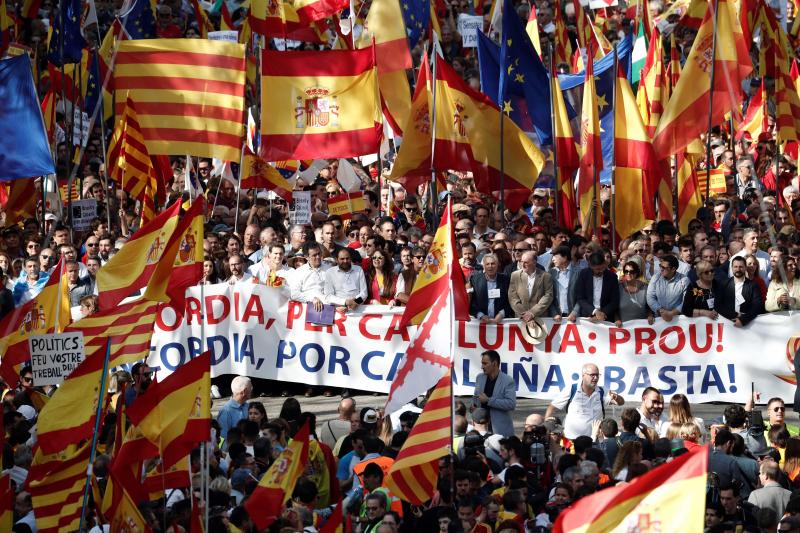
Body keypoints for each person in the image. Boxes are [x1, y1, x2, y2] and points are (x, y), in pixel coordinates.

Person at [545, 363, 624, 441]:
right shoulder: (572, 389)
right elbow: (552, 407)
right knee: (568, 454)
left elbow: (621, 402)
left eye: (597, 375)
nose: (595, 378)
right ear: (583, 375)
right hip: (570, 439)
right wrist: (547, 429)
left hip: (593, 440)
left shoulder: (602, 391)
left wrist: (617, 397)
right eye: (592, 375)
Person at [471, 350, 516, 437]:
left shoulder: (508, 381)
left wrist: (488, 400)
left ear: (494, 363)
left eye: (485, 363)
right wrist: (473, 407)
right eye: (482, 363)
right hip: (481, 428)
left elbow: (511, 404)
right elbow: (475, 398)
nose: (482, 367)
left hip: (499, 431)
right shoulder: (479, 378)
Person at [508, 250, 553, 329]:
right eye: (522, 262)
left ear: (534, 263)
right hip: (521, 319)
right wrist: (525, 316)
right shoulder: (515, 275)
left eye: (526, 262)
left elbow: (548, 296)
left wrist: (532, 313)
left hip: (540, 319)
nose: (523, 265)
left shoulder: (545, 276)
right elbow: (513, 298)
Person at [717, 256, 765, 326]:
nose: (738, 269)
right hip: (727, 325)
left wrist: (743, 320)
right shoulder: (724, 284)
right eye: (735, 267)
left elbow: (757, 307)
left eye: (741, 267)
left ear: (745, 268)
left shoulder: (753, 286)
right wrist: (735, 315)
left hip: (747, 325)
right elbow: (717, 305)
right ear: (732, 268)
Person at [573, 251, 620, 321]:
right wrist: (594, 311)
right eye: (598, 269)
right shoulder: (583, 274)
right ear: (591, 266)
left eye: (603, 268)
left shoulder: (612, 277)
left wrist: (602, 313)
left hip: (606, 318)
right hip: (587, 317)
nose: (601, 271)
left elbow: (614, 300)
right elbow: (580, 298)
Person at [469, 253, 512, 322]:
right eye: (487, 264)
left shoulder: (505, 280)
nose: (490, 266)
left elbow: (510, 301)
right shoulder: (475, 280)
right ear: (483, 266)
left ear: (497, 265)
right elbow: (471, 302)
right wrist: (480, 315)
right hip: (481, 322)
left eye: (493, 264)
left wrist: (502, 313)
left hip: (501, 321)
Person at [646, 255, 690, 322]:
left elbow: (687, 301)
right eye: (660, 266)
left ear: (673, 269)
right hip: (659, 319)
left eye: (664, 267)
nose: (661, 269)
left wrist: (672, 313)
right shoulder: (655, 278)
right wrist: (660, 311)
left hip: (678, 320)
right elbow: (650, 297)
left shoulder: (684, 280)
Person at [324, 248, 368, 312]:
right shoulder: (330, 272)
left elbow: (364, 293)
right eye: (342, 259)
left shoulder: (358, 270)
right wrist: (345, 302)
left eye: (347, 258)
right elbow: (328, 296)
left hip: (358, 309)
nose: (345, 261)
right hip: (340, 310)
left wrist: (356, 302)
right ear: (337, 260)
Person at [615, 260, 653, 326]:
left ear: (636, 273)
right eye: (626, 271)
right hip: (624, 327)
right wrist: (617, 319)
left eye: (631, 272)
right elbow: (614, 308)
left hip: (642, 327)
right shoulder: (618, 287)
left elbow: (649, 306)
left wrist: (650, 315)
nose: (628, 274)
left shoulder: (645, 287)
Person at [548, 245, 579, 321]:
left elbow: (582, 296)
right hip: (556, 317)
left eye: (555, 256)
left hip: (575, 317)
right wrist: (554, 313)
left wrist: (575, 312)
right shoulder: (550, 273)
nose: (553, 259)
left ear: (565, 257)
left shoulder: (579, 273)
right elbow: (548, 295)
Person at [218, 376, 252, 440]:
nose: (252, 389)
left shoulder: (248, 406)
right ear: (244, 391)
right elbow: (222, 438)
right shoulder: (225, 411)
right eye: (251, 387)